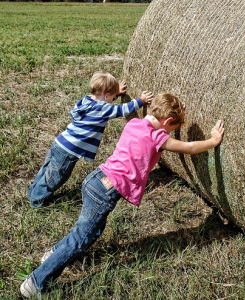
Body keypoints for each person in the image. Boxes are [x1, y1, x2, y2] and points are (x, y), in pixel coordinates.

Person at [20, 93, 225, 298]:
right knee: (81, 237)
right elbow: (189, 148)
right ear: (168, 121)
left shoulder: (134, 123)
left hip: (95, 180)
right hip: (105, 192)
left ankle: (54, 253)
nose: (171, 134)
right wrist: (213, 141)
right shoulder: (157, 137)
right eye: (173, 129)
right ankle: (35, 282)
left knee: (91, 231)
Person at [28, 71, 153, 208]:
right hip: (69, 151)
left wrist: (116, 93)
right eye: (112, 97)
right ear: (106, 96)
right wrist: (141, 100)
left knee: (46, 170)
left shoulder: (86, 100)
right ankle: (37, 202)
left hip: (60, 142)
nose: (113, 100)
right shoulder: (103, 109)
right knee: (55, 176)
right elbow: (122, 110)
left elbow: (103, 104)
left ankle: (33, 192)